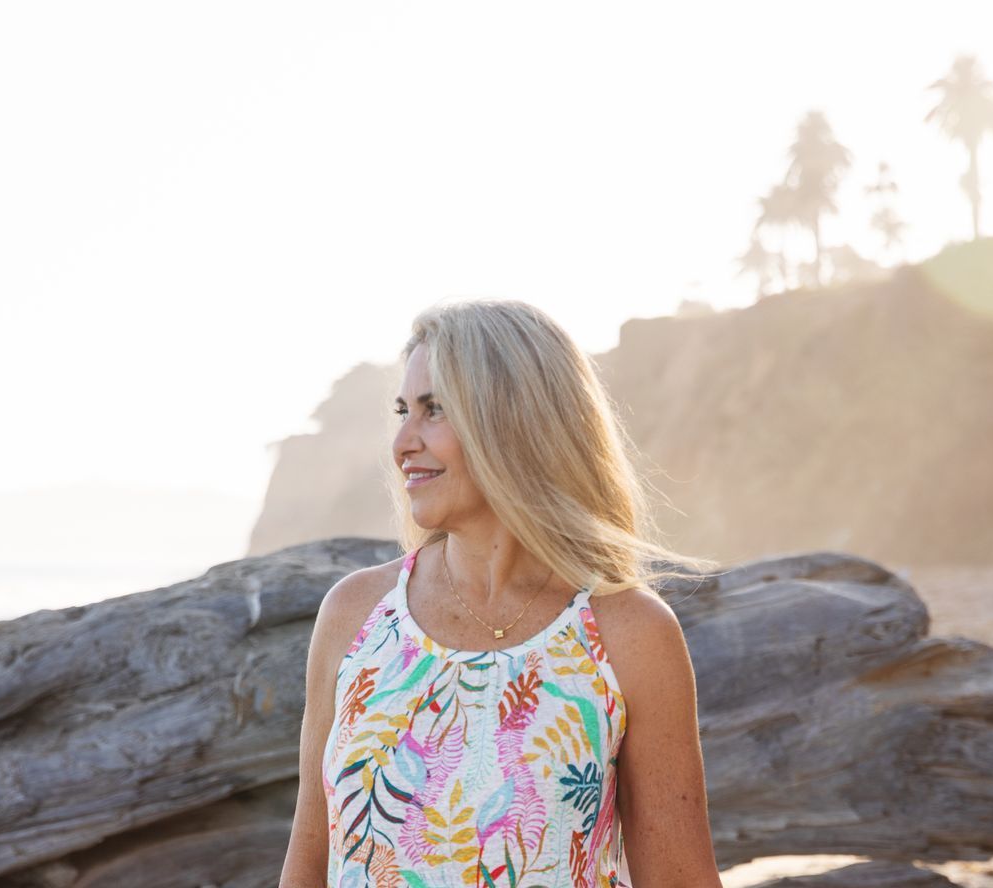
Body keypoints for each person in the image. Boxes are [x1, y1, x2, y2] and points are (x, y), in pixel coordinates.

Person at [279, 299, 724, 887]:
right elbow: (308, 867)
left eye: (434, 410)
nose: (403, 442)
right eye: (402, 411)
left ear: (514, 420)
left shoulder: (629, 633)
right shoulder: (357, 614)